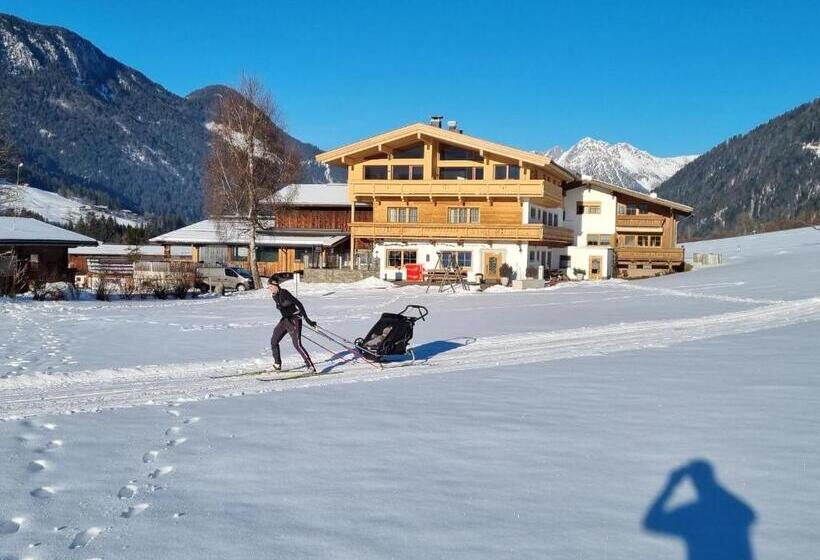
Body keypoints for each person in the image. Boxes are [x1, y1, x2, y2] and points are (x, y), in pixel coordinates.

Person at [643, 459, 755, 560]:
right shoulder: (735, 511)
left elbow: (652, 522)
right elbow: (749, 514)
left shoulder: (691, 514)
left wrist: (670, 486)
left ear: (693, 482)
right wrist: (711, 484)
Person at [267, 277, 316, 374]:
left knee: (297, 344)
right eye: (269, 287)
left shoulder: (284, 293)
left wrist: (307, 319)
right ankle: (277, 364)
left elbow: (299, 304)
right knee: (274, 341)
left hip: (294, 320)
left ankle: (310, 367)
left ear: (276, 285)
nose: (270, 289)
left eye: (271, 286)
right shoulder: (274, 295)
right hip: (285, 320)